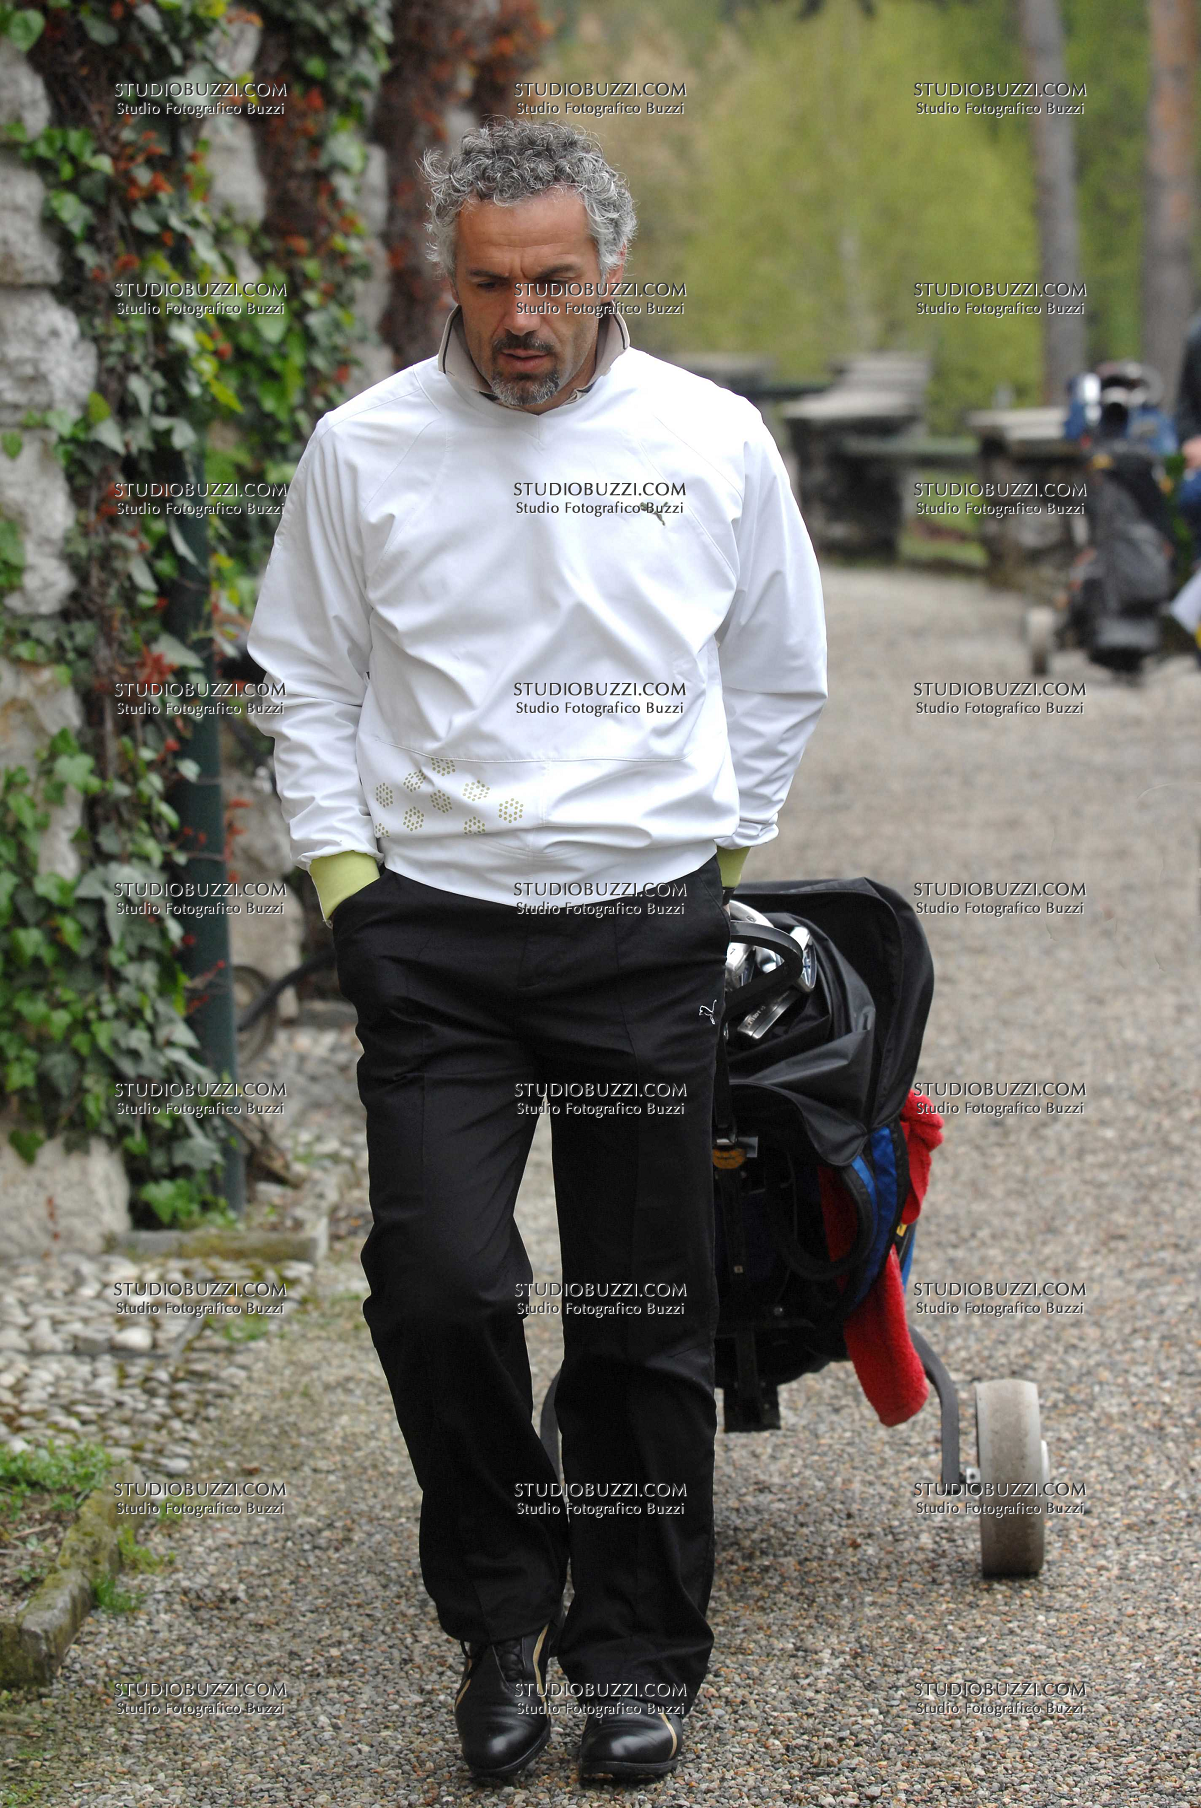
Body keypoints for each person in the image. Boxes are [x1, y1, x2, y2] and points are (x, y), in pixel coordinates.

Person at [247, 118, 826, 1784]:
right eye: (493, 284)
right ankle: (499, 1620)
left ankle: (637, 1652)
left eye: (554, 281)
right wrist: (352, 890)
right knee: (439, 1283)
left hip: (642, 929)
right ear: (451, 277)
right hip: (432, 935)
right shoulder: (363, 448)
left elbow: (778, 670)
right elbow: (307, 677)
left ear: (611, 271)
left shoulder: (711, 440)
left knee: (643, 1308)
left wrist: (709, 868)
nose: (522, 317)